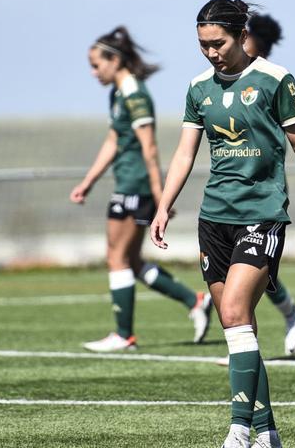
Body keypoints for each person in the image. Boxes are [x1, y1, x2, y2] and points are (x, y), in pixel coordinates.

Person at [150, 0, 295, 448]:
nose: (210, 52)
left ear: (242, 36)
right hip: (213, 219)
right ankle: (268, 433)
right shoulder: (199, 88)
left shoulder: (276, 81)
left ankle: (238, 430)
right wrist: (164, 206)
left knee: (238, 314)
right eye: (202, 45)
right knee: (239, 329)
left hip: (261, 214)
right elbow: (185, 153)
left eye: (217, 43)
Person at [71, 26, 212, 352]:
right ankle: (195, 301)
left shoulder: (135, 94)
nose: (94, 72)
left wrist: (161, 195)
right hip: (128, 183)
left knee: (117, 258)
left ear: (115, 59)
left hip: (136, 186)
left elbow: (150, 148)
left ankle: (124, 335)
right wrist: (88, 182)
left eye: (96, 65)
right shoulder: (118, 93)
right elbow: (114, 140)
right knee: (131, 261)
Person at [245, 13, 295, 357]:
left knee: (255, 270)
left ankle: (246, 340)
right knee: (245, 271)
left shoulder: (270, 80)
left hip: (263, 190)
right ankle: (287, 314)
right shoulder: (225, 78)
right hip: (230, 191)